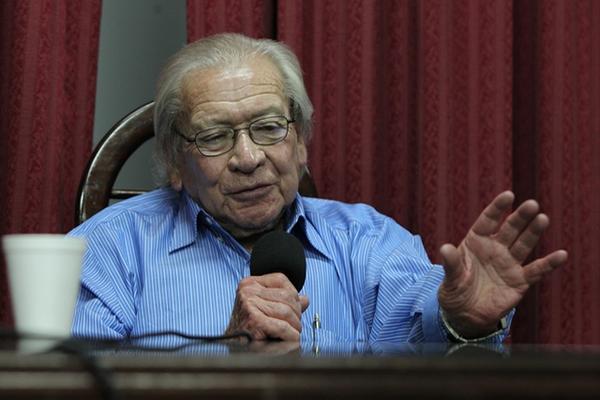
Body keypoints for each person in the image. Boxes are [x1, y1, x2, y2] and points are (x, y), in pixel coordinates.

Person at [70, 33, 568, 345]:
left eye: (269, 128)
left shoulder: (367, 240)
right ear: (177, 162)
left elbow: (424, 332)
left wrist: (461, 318)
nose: (248, 158)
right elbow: (75, 384)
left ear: (302, 143)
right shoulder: (105, 249)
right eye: (215, 137)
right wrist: (224, 362)